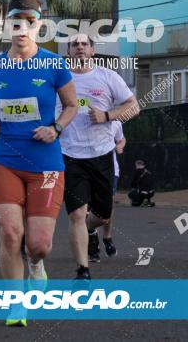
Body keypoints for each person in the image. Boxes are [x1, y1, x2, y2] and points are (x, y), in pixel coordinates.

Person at [0, 0, 78, 327]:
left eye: (29, 22)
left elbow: (73, 106)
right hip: (5, 162)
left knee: (39, 244)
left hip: (46, 164)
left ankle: (36, 266)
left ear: (38, 26)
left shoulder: (54, 64)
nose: (21, 28)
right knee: (8, 233)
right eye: (15, 21)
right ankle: (16, 304)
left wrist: (56, 128)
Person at [60, 34, 137, 280]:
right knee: (76, 214)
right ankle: (83, 269)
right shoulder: (60, 78)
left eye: (84, 44)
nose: (80, 47)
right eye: (75, 44)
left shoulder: (107, 76)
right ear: (69, 51)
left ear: (92, 51)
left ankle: (92, 231)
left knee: (102, 215)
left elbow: (133, 106)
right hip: (69, 154)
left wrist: (107, 115)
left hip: (102, 154)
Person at [98, 120, 125, 258]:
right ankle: (92, 242)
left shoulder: (115, 122)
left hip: (110, 171)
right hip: (84, 170)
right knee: (85, 208)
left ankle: (107, 237)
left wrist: (120, 145)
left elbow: (121, 139)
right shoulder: (78, 118)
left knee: (106, 207)